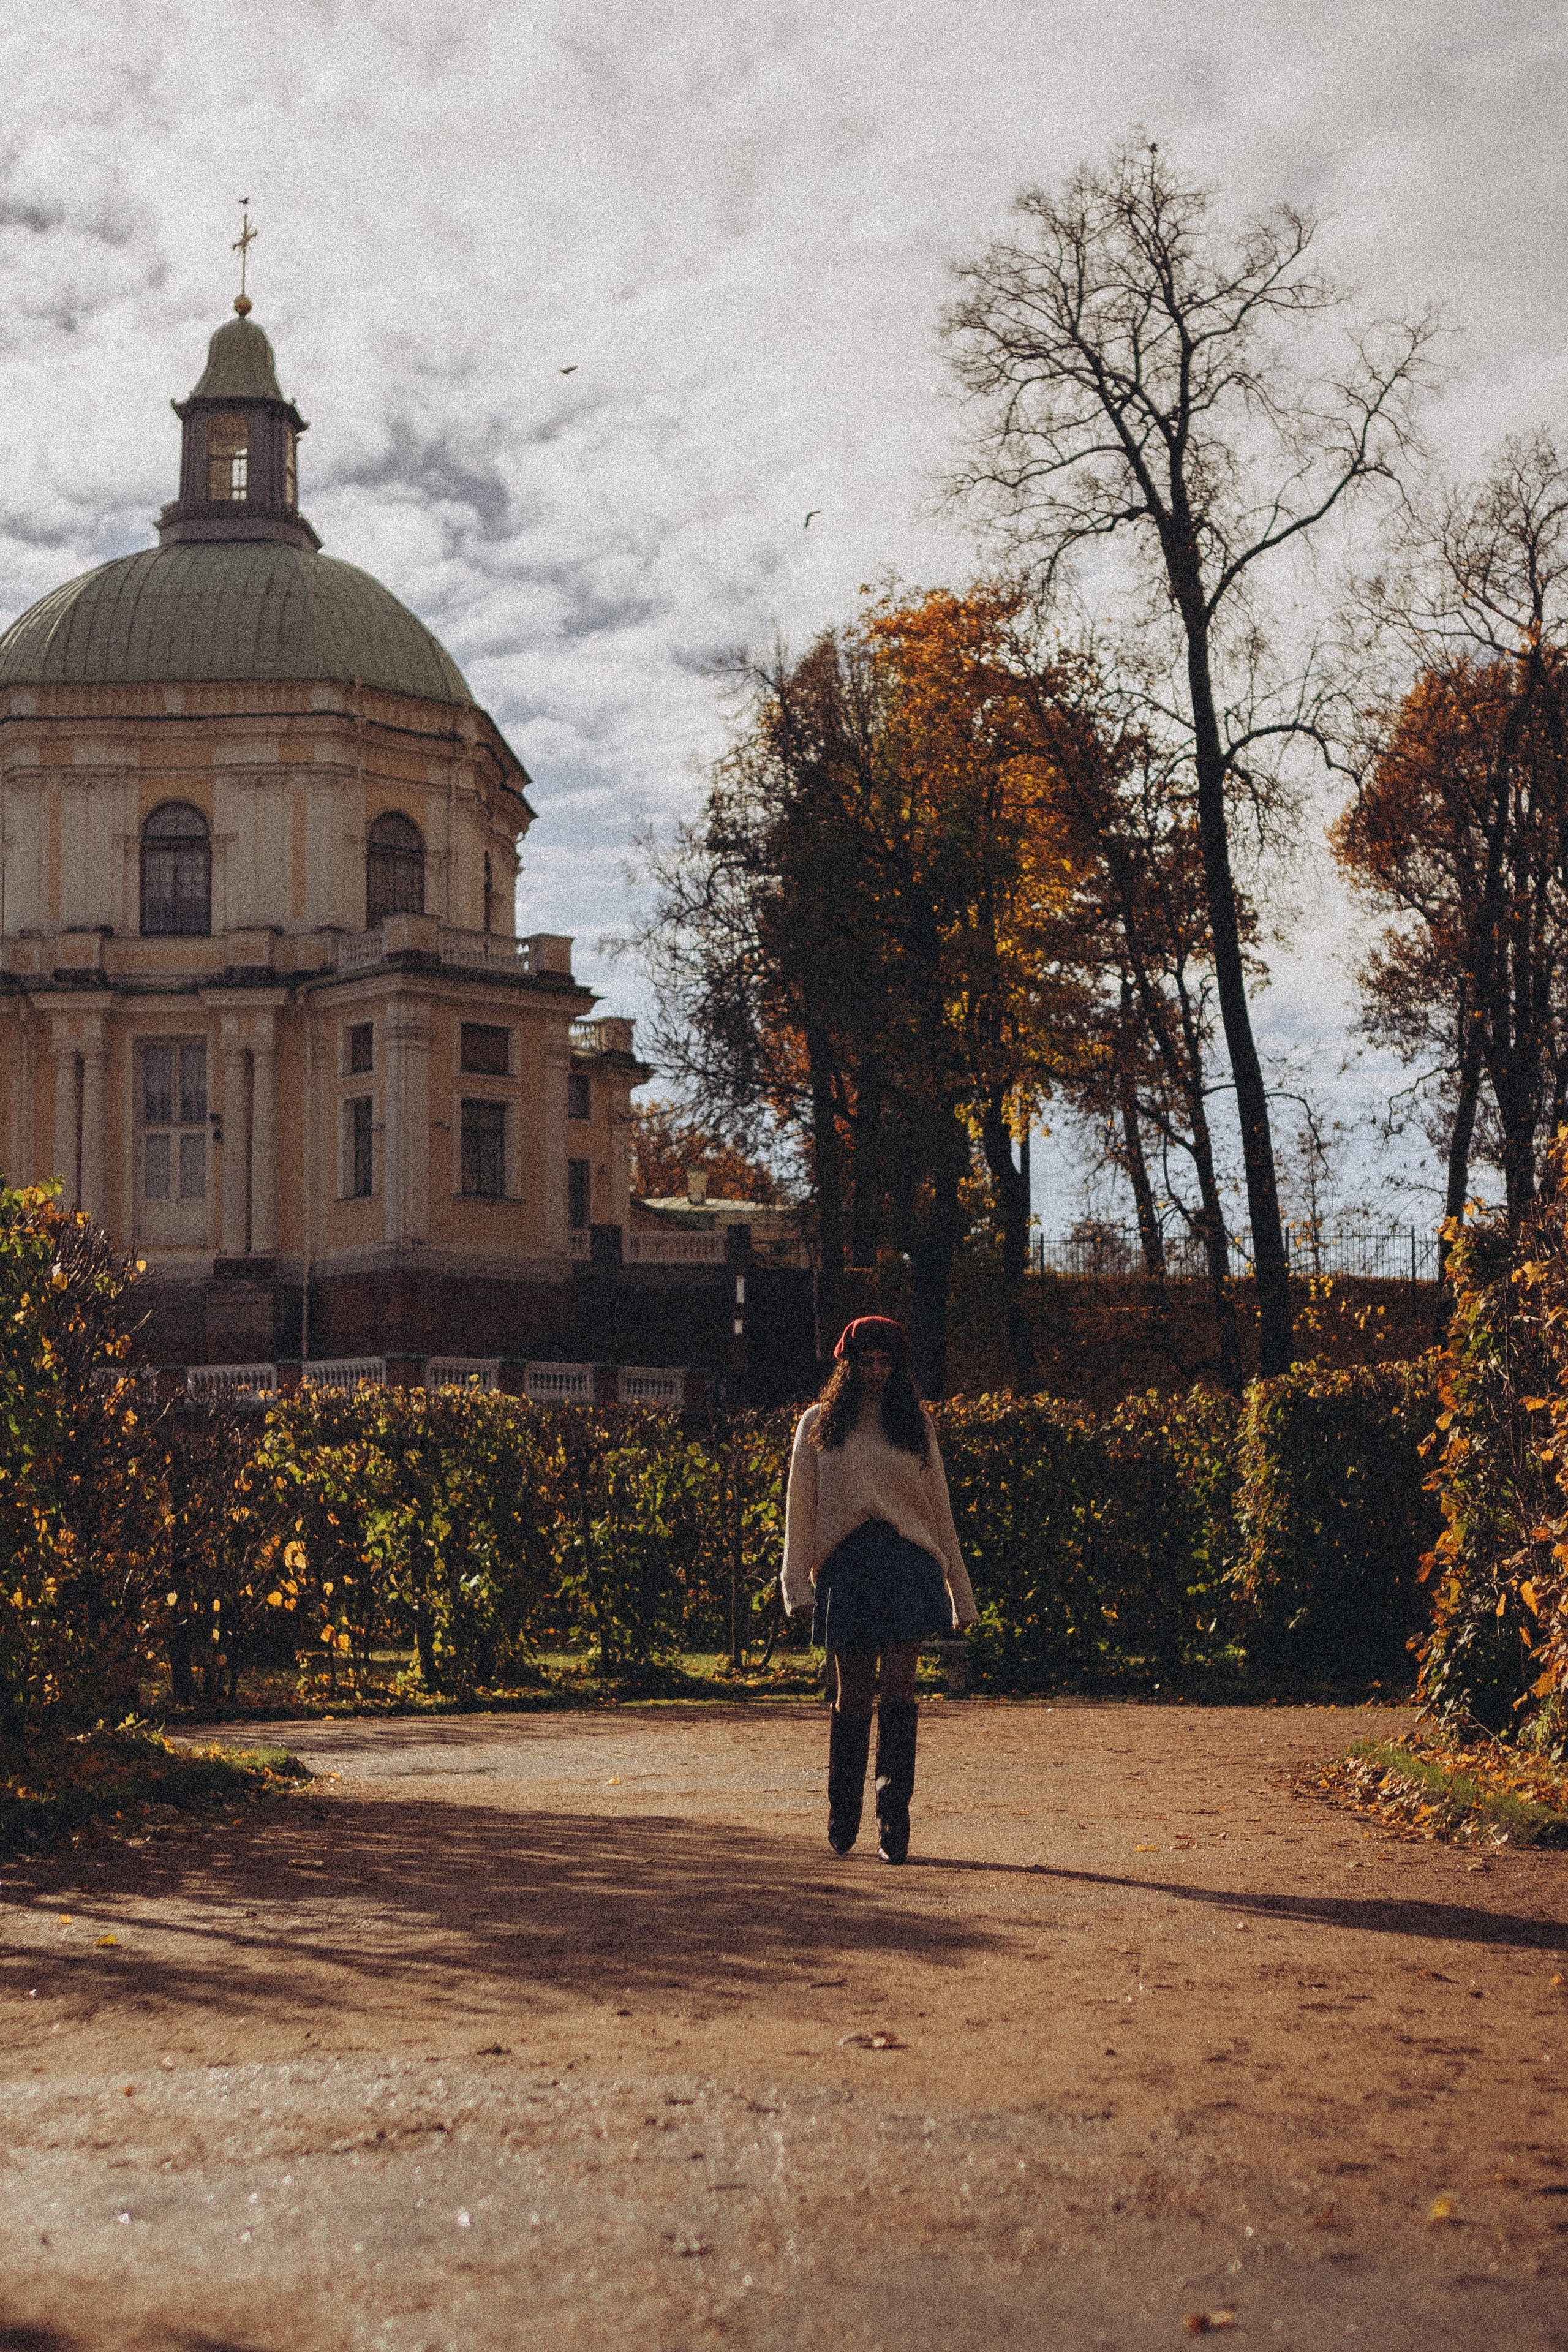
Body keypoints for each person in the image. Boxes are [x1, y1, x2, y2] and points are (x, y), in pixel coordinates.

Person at [781, 1316, 978, 1863]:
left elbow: (939, 1508)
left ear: (899, 1367)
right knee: (852, 1695)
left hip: (908, 1565)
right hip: (847, 1567)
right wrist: (796, 1581)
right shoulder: (819, 1425)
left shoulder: (915, 1426)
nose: (874, 1372)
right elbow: (801, 1509)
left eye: (885, 1362)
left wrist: (962, 1594)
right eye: (865, 1361)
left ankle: (894, 1820)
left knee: (899, 1692)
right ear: (847, 1365)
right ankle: (843, 1815)